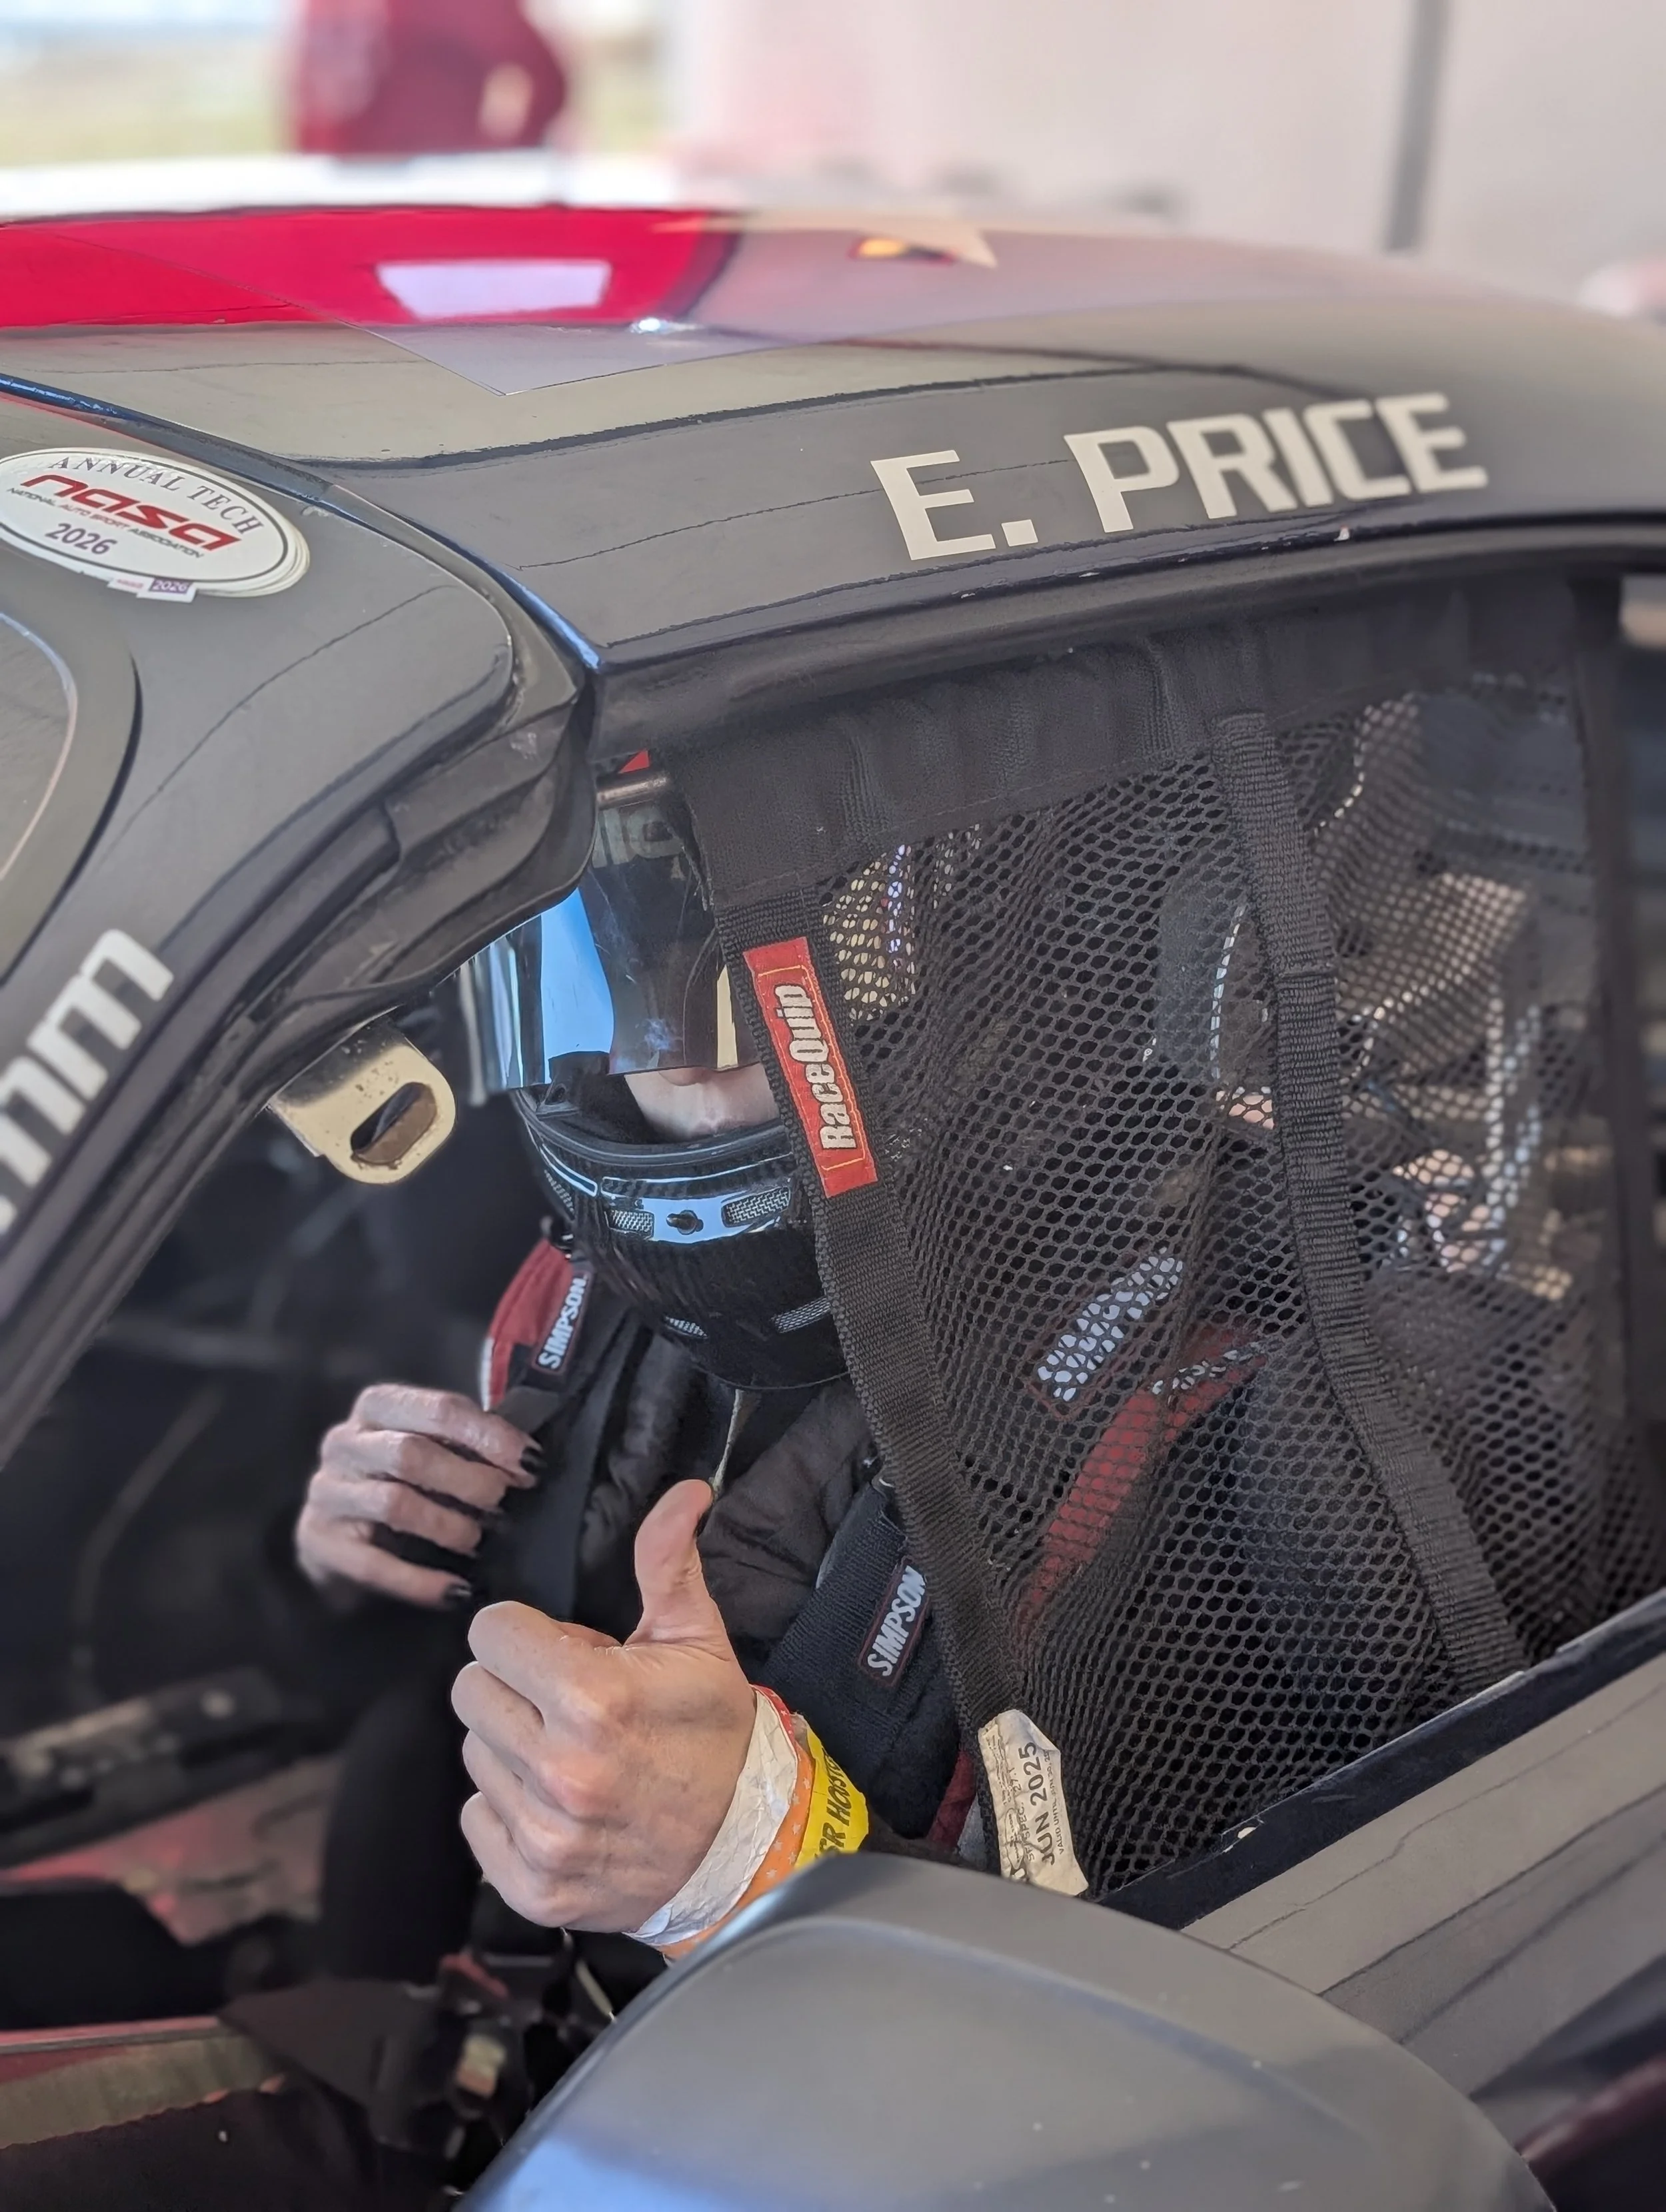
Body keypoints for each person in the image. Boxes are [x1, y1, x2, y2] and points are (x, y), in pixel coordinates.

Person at [297, 770, 960, 1979]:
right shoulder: (564, 1293)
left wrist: (757, 1862)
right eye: (637, 987)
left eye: (750, 994)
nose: (687, 1068)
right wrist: (355, 1549)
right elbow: (452, 1676)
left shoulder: (1181, 1406)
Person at [290, 0, 568, 159]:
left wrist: (495, 159)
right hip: (342, 199)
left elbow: (547, 80)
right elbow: (310, 99)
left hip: (433, 198)